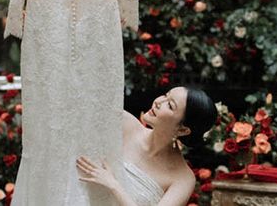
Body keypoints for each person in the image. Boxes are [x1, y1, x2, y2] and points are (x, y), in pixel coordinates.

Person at [76, 86, 217, 206]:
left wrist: (113, 185)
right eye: (165, 95)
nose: (158, 102)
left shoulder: (183, 178)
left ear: (183, 130)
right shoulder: (124, 124)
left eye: (170, 105)